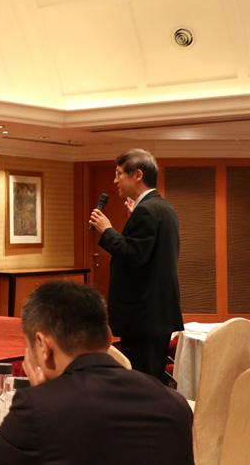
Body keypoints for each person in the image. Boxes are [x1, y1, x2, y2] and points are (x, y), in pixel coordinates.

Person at [0, 280, 194, 465]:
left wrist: (45, 395)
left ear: (44, 347)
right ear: (108, 337)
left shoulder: (37, 409)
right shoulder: (174, 404)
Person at [89, 148, 183, 382]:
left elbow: (133, 256)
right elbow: (149, 254)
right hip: (157, 311)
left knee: (141, 382)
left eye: (119, 173)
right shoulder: (163, 207)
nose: (115, 180)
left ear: (138, 175)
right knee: (152, 379)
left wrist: (107, 230)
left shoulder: (147, 211)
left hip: (143, 315)